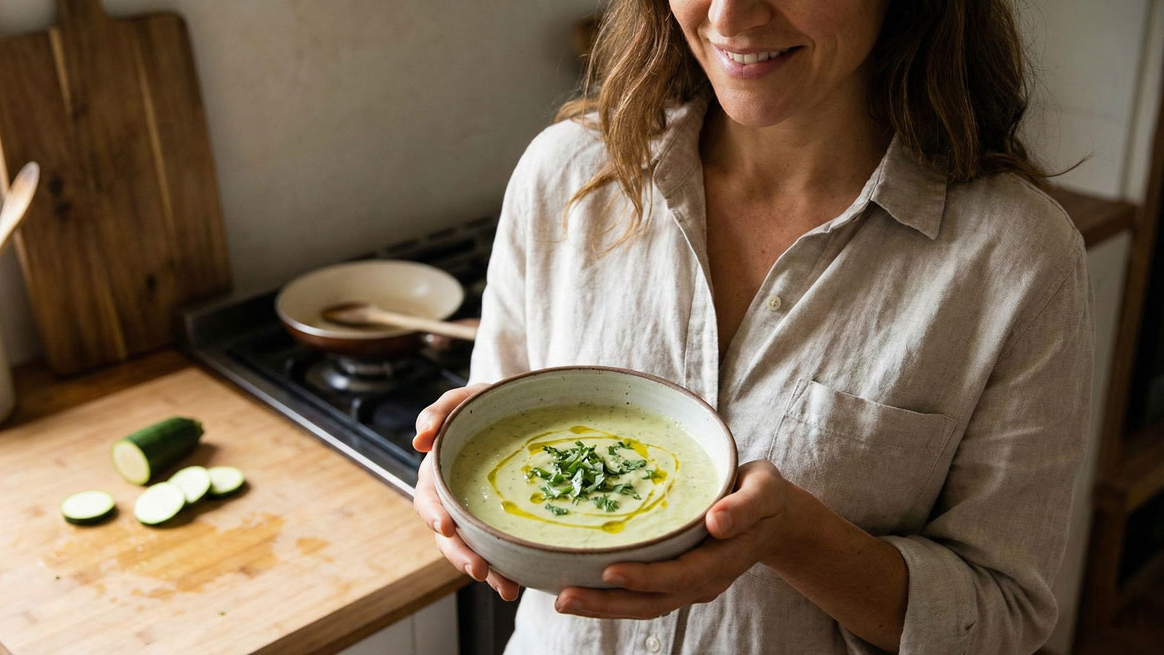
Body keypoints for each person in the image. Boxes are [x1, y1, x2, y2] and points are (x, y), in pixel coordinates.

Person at [413, 0, 1094, 653]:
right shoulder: (561, 174)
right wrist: (453, 481)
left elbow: (1003, 614)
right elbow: (496, 439)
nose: (731, 16)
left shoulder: (1020, 259)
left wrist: (796, 539)